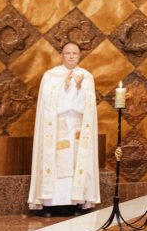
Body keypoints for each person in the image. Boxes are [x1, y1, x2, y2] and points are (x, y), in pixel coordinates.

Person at [27, 42, 100, 216]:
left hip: (77, 128)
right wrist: (64, 87)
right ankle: (50, 204)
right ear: (62, 55)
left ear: (80, 55)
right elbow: (47, 103)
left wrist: (80, 88)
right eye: (68, 53)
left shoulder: (86, 76)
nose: (71, 56)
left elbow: (89, 105)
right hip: (56, 127)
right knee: (56, 163)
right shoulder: (51, 76)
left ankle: (74, 202)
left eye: (75, 53)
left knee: (75, 164)